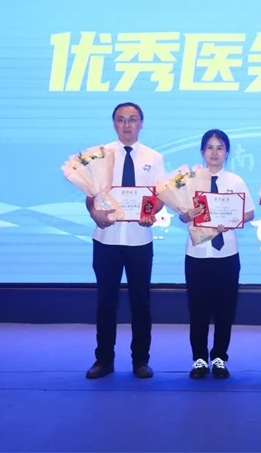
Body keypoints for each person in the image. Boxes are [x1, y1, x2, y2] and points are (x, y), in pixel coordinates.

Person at [85, 102, 166, 379]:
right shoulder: (100, 155)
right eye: (121, 119)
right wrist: (94, 213)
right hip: (106, 238)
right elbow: (90, 195)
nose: (127, 125)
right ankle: (103, 360)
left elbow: (159, 197)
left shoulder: (154, 157)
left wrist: (150, 212)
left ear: (141, 123)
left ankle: (140, 360)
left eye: (133, 119)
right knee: (106, 301)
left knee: (140, 302)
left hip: (139, 240)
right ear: (114, 123)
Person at [178, 129, 255, 379]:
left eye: (219, 147)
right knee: (197, 308)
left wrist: (231, 219)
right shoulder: (189, 181)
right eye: (209, 147)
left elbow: (250, 213)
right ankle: (199, 359)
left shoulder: (235, 181)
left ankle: (220, 357)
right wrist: (186, 215)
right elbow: (182, 215)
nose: (214, 152)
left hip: (227, 254)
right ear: (202, 151)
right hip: (197, 253)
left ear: (227, 152)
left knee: (225, 309)